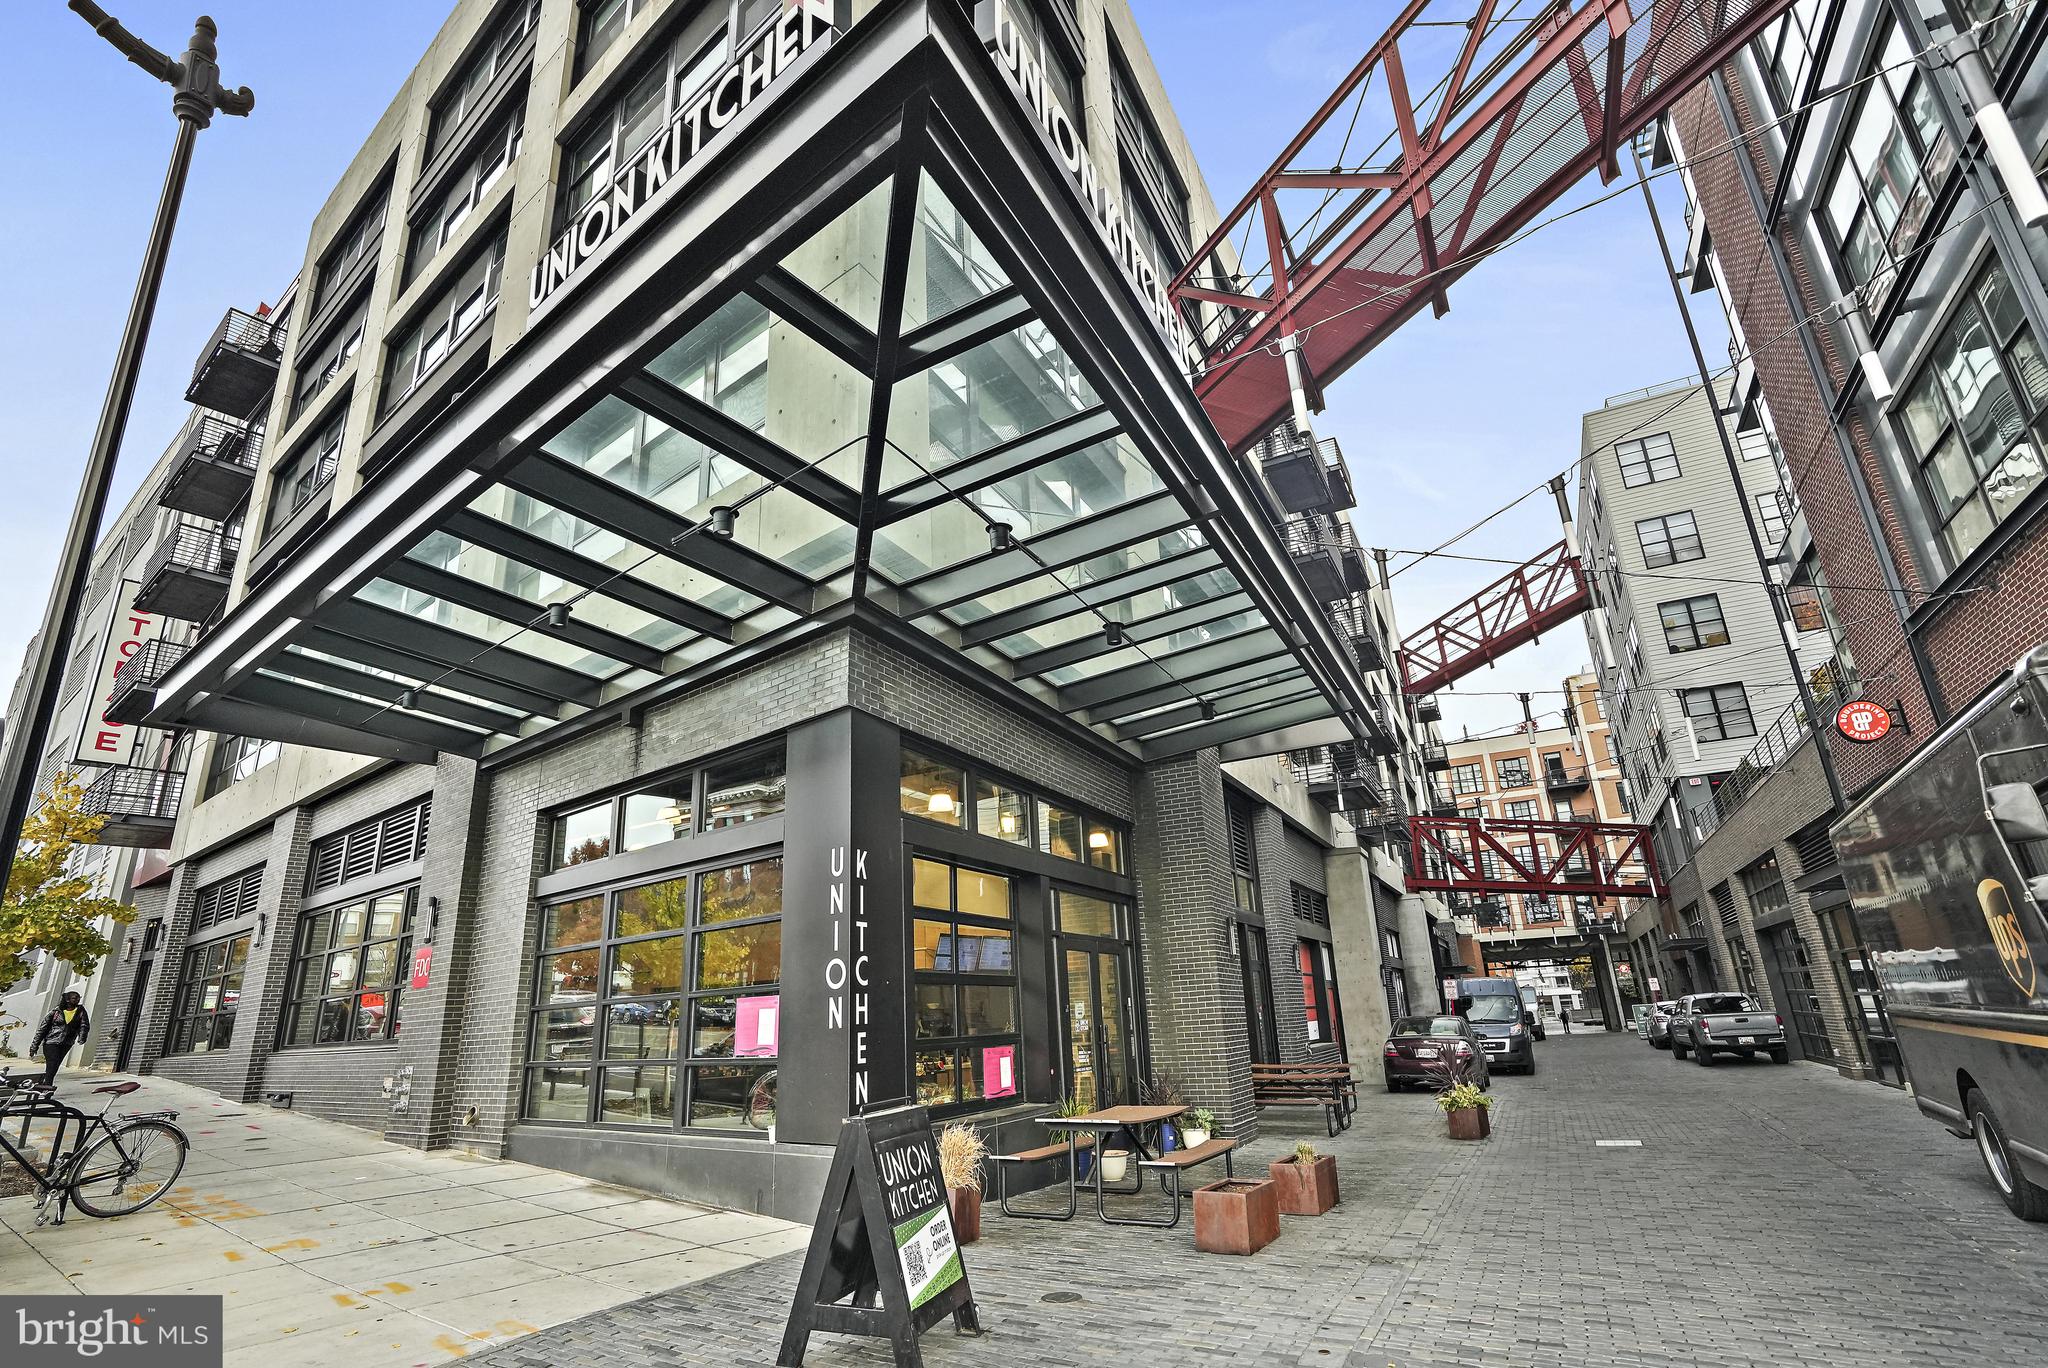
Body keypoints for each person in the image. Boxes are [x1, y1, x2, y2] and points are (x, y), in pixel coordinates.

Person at [30, 991, 91, 1086]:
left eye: (79, 998)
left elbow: (84, 1025)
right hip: (51, 1042)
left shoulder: (81, 1011)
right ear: (67, 999)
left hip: (66, 1043)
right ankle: (47, 1086)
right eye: (75, 998)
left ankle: (45, 1083)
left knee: (55, 1065)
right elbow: (42, 1029)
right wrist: (34, 1046)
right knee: (53, 1062)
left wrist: (82, 1037)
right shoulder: (56, 1012)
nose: (77, 1000)